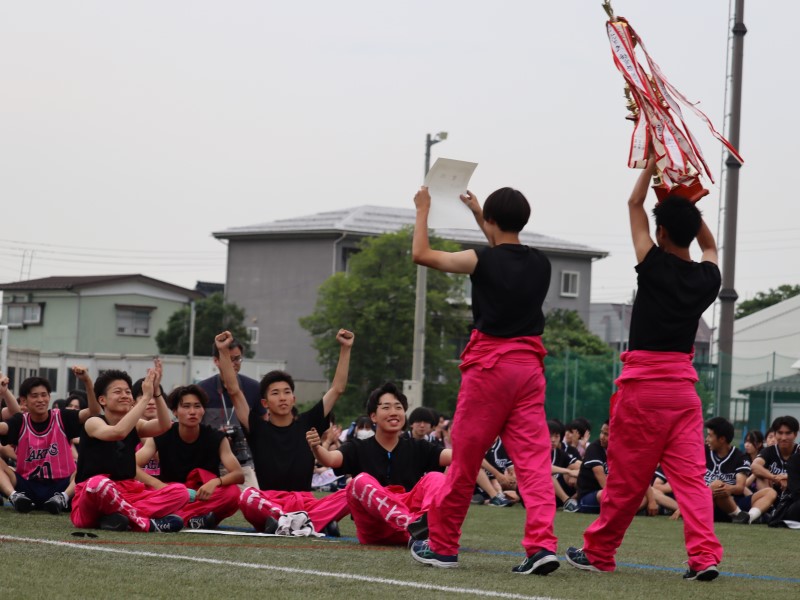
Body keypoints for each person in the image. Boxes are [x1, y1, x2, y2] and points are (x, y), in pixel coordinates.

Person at [565, 156, 724, 581]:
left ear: (661, 232)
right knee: (691, 480)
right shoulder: (708, 277)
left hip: (641, 391)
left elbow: (634, 203)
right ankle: (704, 557)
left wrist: (651, 161)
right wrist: (688, 205)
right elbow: (710, 247)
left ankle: (598, 552)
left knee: (626, 482)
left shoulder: (652, 264)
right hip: (683, 395)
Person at [409, 185, 558, 575]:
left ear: (491, 223)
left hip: (489, 369)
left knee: (465, 460)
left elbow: (421, 254)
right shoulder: (542, 263)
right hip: (529, 371)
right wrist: (480, 213)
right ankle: (541, 546)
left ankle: (442, 547)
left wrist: (423, 210)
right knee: (534, 464)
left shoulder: (481, 260)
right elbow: (505, 248)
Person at [214, 329, 354, 535]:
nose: (282, 397)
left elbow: (337, 389)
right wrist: (223, 351)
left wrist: (345, 348)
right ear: (265, 403)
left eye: (287, 392)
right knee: (246, 497)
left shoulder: (308, 422)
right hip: (269, 501)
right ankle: (307, 523)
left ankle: (290, 522)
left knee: (351, 493)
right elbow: (233, 390)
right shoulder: (257, 426)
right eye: (275, 393)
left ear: (294, 399)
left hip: (305, 502)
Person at [307, 382, 451, 546]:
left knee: (436, 478)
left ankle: (425, 527)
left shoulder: (419, 446)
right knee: (358, 482)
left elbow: (454, 457)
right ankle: (414, 527)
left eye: (398, 407)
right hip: (374, 529)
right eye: (386, 407)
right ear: (373, 416)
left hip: (412, 523)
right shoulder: (357, 447)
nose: (394, 412)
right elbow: (330, 460)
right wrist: (317, 447)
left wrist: (475, 440)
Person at [71, 363, 189, 533]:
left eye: (127, 392)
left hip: (129, 493)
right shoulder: (94, 422)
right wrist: (146, 397)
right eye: (118, 392)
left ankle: (118, 519)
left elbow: (164, 425)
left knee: (180, 492)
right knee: (99, 484)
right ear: (102, 400)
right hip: (92, 496)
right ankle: (148, 524)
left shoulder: (136, 424)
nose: (125, 396)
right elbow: (118, 432)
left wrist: (156, 393)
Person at [136, 384, 244, 529]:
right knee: (141, 492)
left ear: (203, 410)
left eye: (197, 406)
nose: (192, 412)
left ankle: (179, 519)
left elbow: (238, 474)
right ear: (175, 411)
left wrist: (215, 482)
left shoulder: (216, 438)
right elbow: (131, 465)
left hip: (202, 496)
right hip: (171, 495)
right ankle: (193, 520)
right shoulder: (161, 435)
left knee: (233, 493)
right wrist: (160, 486)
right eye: (186, 406)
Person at [0, 368, 100, 514]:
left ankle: (63, 498)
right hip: (27, 486)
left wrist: (87, 381)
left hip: (62, 486)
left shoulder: (62, 417)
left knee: (90, 463)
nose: (41, 400)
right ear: (24, 401)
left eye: (44, 395)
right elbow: (3, 428)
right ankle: (14, 497)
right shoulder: (20, 421)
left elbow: (94, 412)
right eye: (35, 396)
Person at [199, 337, 262, 489]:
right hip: (209, 460)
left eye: (237, 359)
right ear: (216, 361)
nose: (233, 363)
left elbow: (262, 426)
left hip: (245, 461)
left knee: (254, 500)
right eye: (228, 358)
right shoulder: (202, 389)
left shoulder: (254, 387)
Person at [747, 415, 800, 524]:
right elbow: (755, 466)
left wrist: (787, 477)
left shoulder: (798, 451)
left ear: (795, 434)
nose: (783, 437)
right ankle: (769, 511)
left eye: (788, 433)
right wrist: (774, 477)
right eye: (780, 433)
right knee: (761, 476)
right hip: (772, 496)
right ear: (775, 434)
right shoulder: (769, 451)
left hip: (794, 498)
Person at [700, 417, 751, 524]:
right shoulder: (702, 451)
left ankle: (741, 514)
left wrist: (726, 488)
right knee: (715, 486)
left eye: (710, 435)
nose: (706, 439)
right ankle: (740, 516)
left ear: (722, 439)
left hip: (729, 503)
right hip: (704, 501)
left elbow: (739, 487)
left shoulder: (740, 457)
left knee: (718, 485)